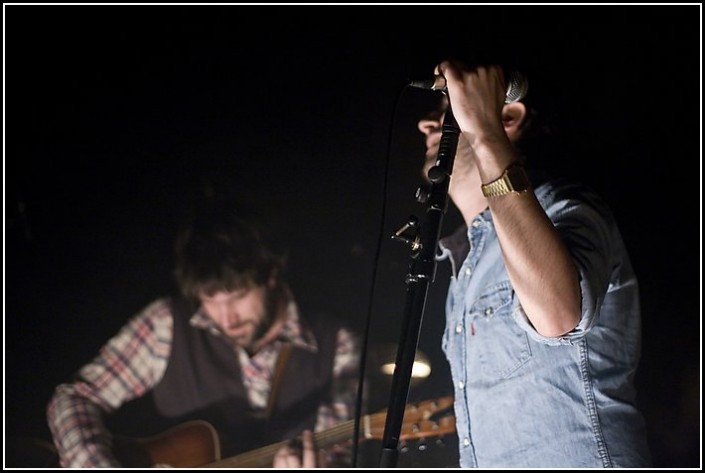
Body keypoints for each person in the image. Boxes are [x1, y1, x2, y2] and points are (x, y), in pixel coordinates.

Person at [415, 58, 652, 467]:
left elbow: (559, 314)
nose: (425, 125)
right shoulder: (462, 270)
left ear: (508, 115)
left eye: (445, 108)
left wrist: (485, 132)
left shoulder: (570, 209)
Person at [46, 201, 361, 468]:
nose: (226, 317)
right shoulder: (166, 323)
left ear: (271, 275)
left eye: (237, 296)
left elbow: (339, 453)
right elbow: (75, 397)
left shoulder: (338, 345)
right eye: (210, 300)